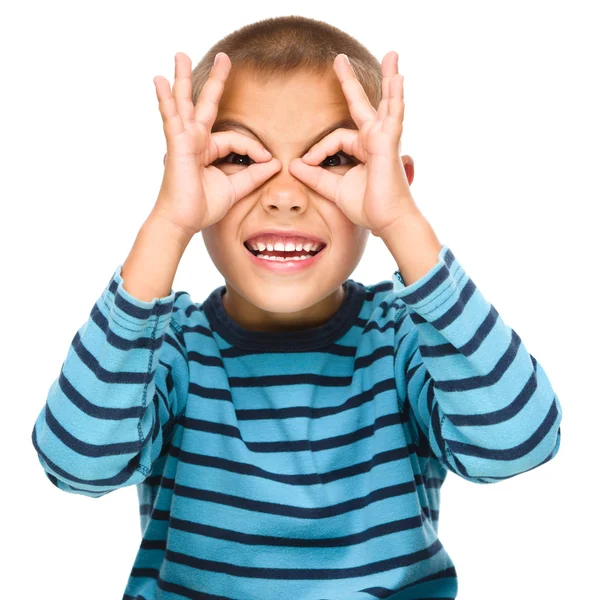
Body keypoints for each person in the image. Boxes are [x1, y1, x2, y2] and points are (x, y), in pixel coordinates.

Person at [30, 15, 562, 600]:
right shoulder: (169, 350)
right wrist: (167, 224)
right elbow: (78, 462)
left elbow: (518, 444)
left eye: (333, 159)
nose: (284, 196)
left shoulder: (406, 341)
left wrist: (402, 220)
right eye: (237, 157)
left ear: (395, 181)